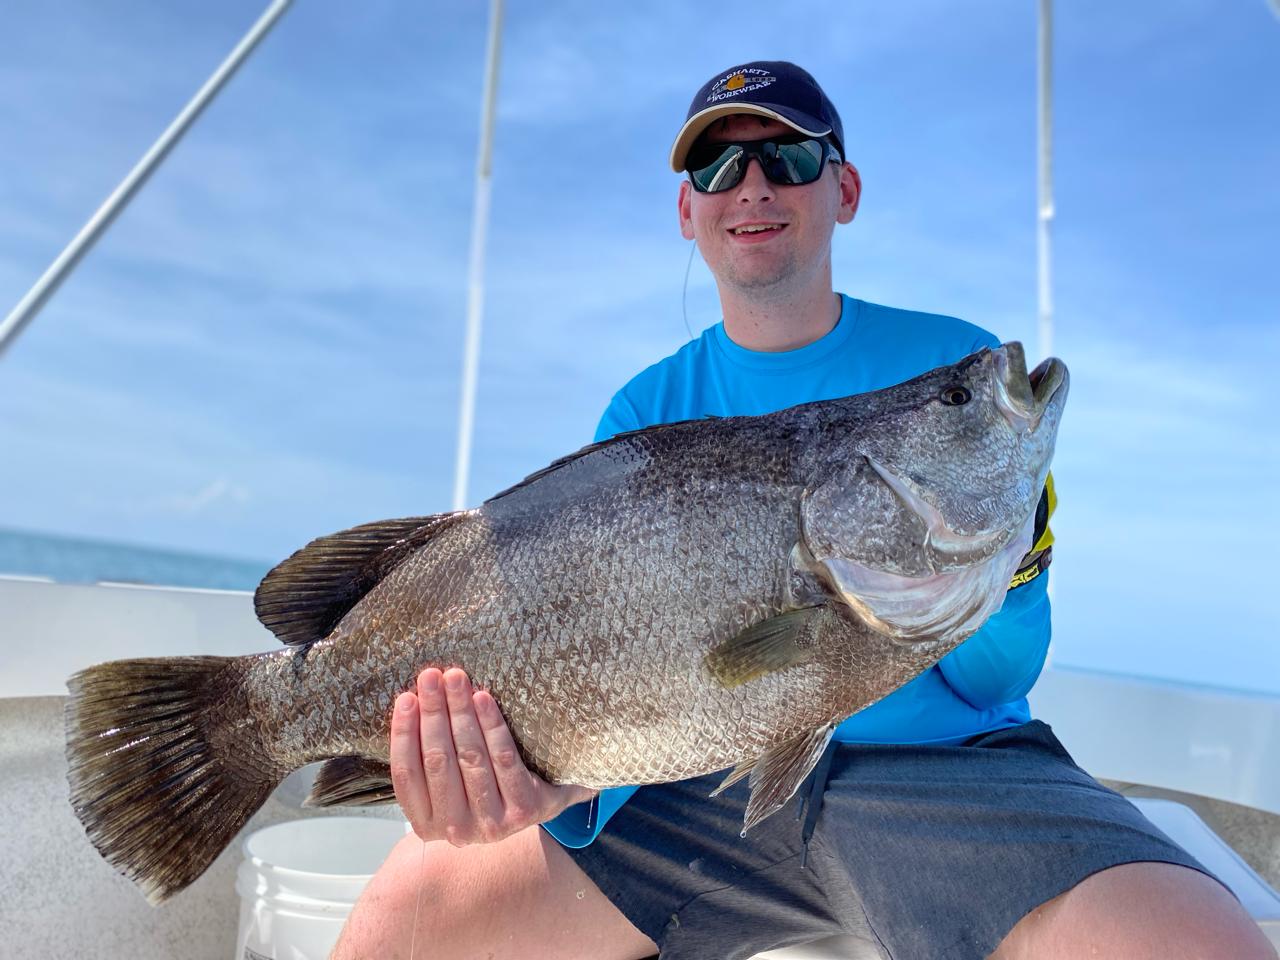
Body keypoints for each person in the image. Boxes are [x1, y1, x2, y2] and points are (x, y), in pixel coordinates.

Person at [332, 61, 1274, 960]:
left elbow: (999, 676)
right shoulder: (641, 413)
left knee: (1203, 945)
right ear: (687, 210)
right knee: (388, 935)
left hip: (949, 775)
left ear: (845, 189)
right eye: (717, 164)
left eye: (787, 157)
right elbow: (609, 679)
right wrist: (542, 783)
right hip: (682, 793)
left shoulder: (957, 361)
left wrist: (1012, 551)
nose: (752, 185)